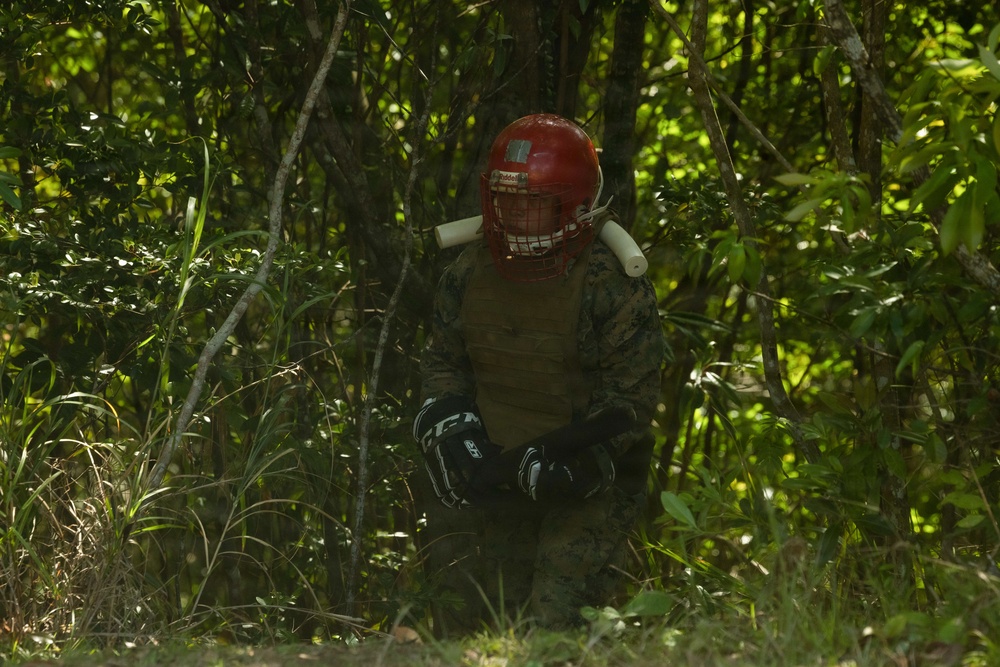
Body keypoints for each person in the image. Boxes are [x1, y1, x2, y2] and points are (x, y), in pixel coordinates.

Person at [412, 113, 663, 633]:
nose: (515, 215)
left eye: (534, 202)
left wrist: (571, 459)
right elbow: (445, 363)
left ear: (572, 203)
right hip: (496, 468)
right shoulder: (468, 273)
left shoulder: (612, 282)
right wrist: (451, 426)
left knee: (555, 628)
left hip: (586, 478)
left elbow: (629, 405)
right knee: (467, 624)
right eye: (506, 200)